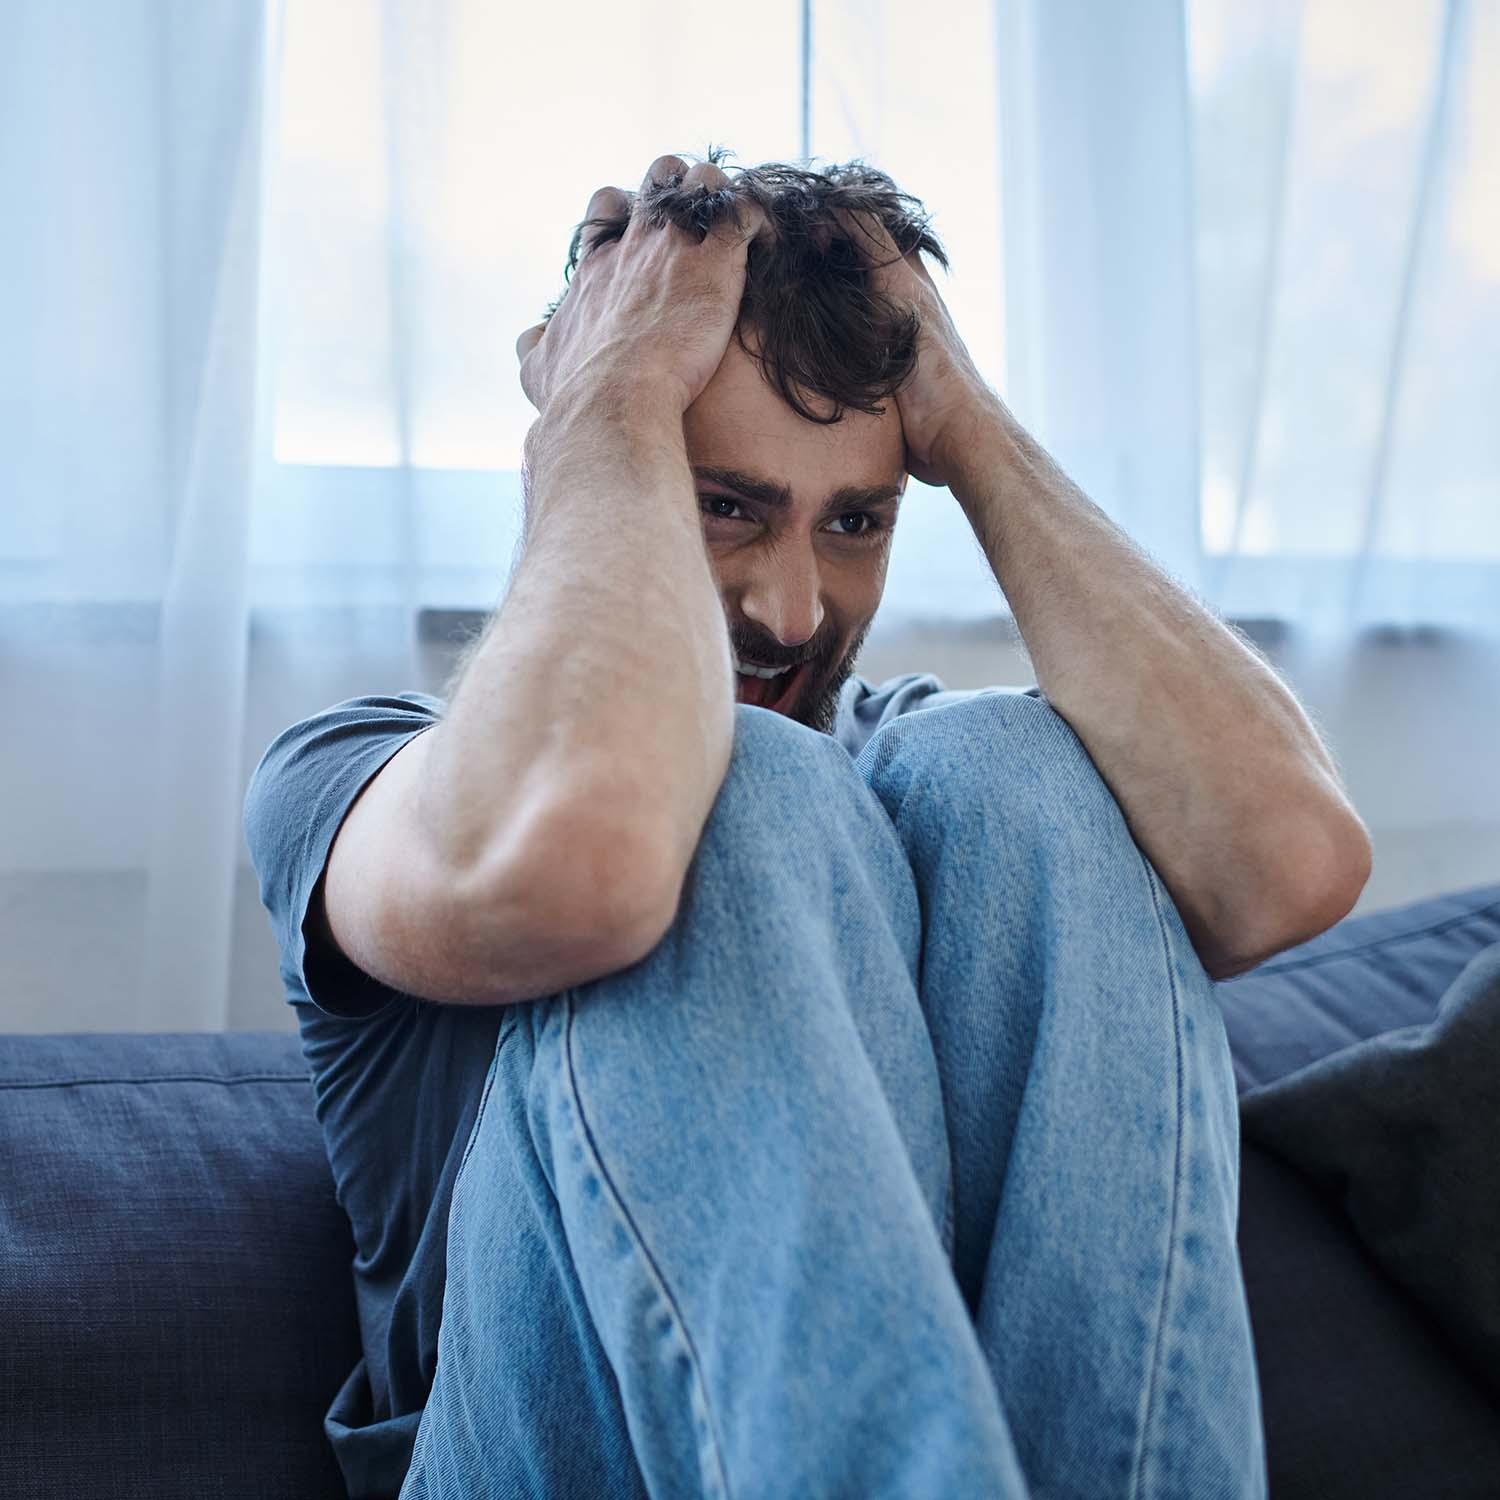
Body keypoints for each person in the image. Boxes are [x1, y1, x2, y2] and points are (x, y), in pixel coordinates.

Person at [244, 148, 1372, 1499]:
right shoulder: (365, 775)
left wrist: (970, 423)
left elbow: (1287, 870)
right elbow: (586, 864)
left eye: (854, 522)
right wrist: (607, 394)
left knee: (1015, 758)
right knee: (750, 781)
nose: (792, 610)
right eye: (724, 506)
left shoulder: (930, 780)